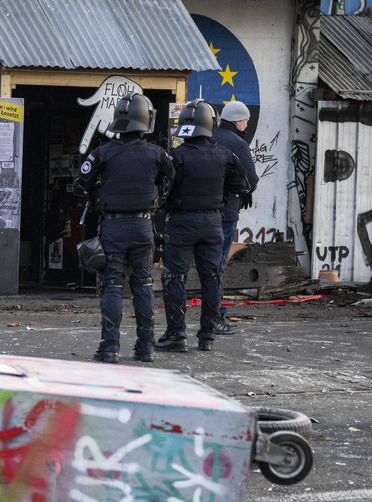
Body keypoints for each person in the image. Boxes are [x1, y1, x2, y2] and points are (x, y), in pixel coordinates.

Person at [71, 93, 173, 363]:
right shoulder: (158, 154)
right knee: (144, 284)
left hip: (113, 227)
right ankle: (146, 347)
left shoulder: (102, 153)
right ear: (146, 120)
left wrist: (97, 191)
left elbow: (79, 184)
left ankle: (110, 348)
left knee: (113, 286)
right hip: (143, 227)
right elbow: (171, 180)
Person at [156, 100, 250, 353]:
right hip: (212, 223)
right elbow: (243, 186)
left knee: (175, 277)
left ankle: (176, 334)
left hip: (181, 223)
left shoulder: (175, 156)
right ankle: (207, 335)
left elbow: (161, 193)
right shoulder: (225, 155)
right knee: (212, 277)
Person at [211, 100, 259, 334]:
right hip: (226, 212)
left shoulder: (208, 136)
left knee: (205, 265)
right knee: (218, 266)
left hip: (200, 211)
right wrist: (245, 192)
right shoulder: (237, 143)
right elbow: (251, 180)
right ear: (238, 121)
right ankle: (215, 315)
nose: (247, 125)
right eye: (246, 121)